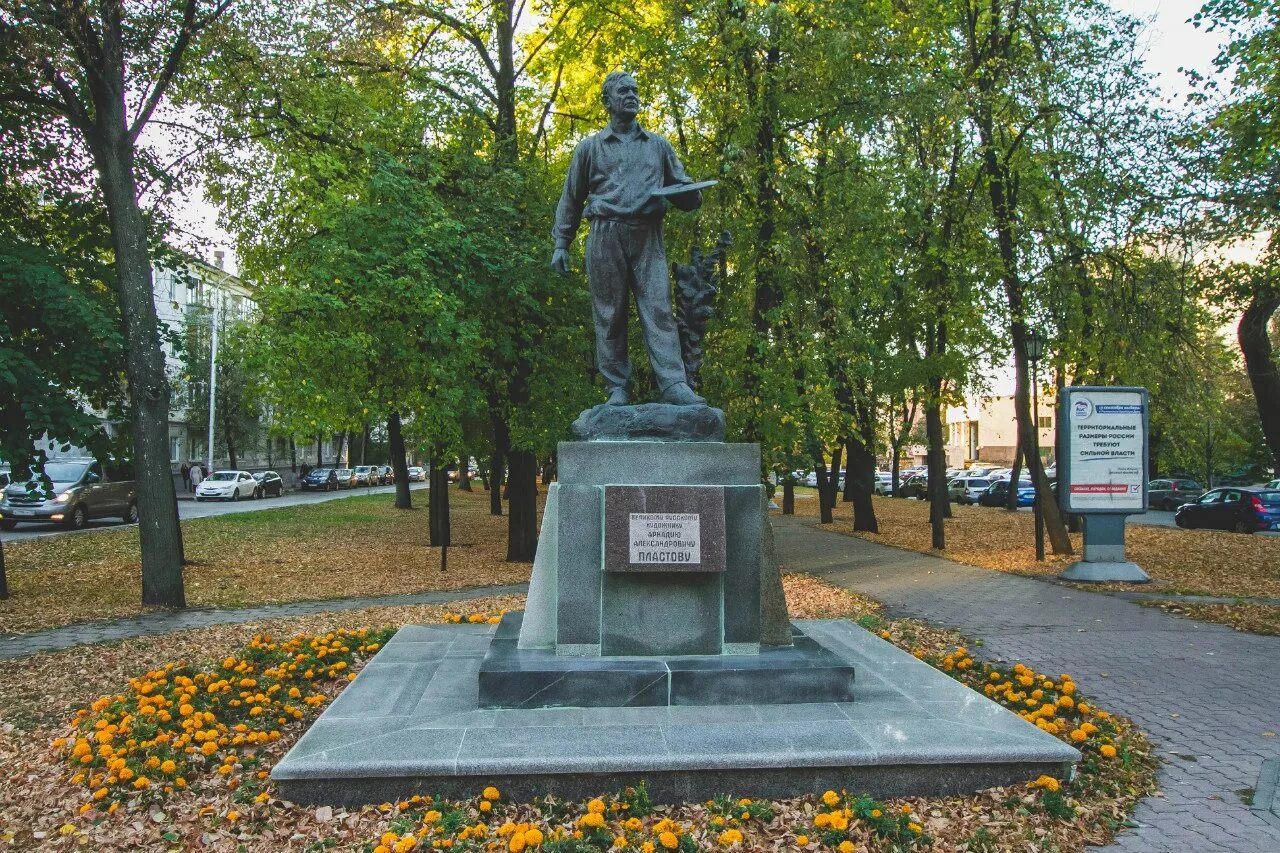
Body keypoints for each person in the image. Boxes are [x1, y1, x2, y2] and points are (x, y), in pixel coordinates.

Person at [552, 71, 707, 408]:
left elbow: (684, 190)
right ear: (607, 101)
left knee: (659, 309)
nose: (632, 95)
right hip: (605, 234)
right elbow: (571, 198)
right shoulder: (590, 148)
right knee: (609, 314)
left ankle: (673, 384)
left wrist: (691, 195)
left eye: (635, 90)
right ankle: (617, 387)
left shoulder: (658, 146)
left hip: (647, 236)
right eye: (624, 91)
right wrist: (561, 244)